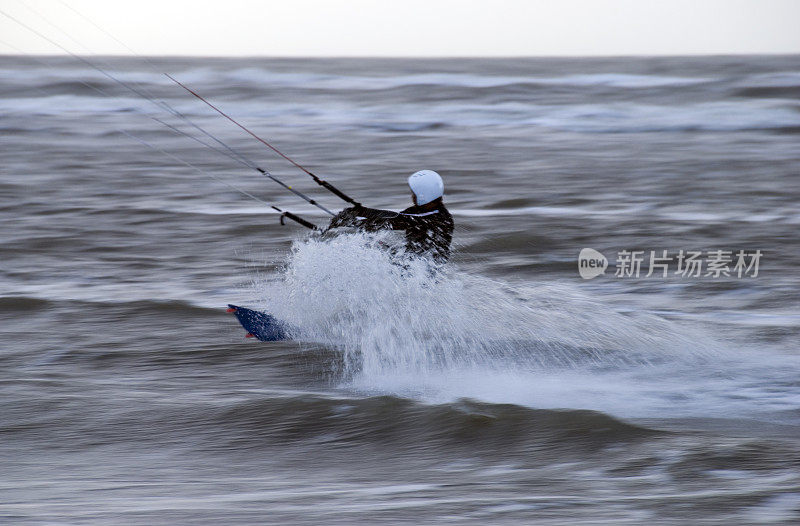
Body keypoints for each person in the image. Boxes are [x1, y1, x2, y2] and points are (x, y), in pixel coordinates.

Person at [327, 170, 454, 262]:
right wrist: (361, 211)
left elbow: (392, 222)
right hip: (413, 262)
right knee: (372, 245)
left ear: (424, 194)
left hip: (421, 270)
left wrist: (352, 221)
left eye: (414, 193)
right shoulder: (428, 211)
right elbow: (394, 216)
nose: (412, 196)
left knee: (367, 247)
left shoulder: (430, 217)